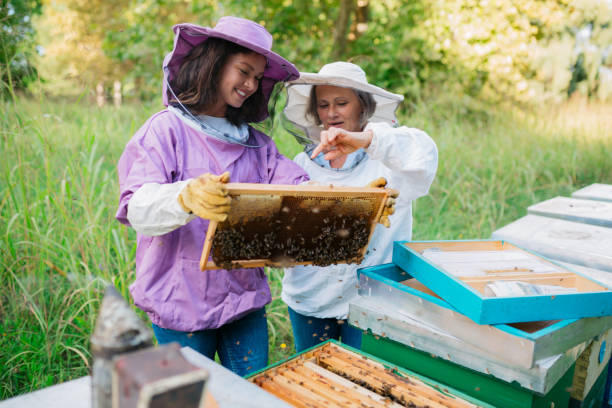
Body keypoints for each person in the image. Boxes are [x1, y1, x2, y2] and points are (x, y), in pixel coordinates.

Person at [115, 17, 309, 376]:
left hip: (245, 299)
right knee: (189, 397)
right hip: (181, 301)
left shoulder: (258, 145)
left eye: (258, 77)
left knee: (249, 391)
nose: (251, 85)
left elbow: (300, 192)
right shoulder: (165, 130)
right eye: (244, 71)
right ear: (215, 63)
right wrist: (185, 198)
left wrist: (354, 198)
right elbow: (137, 205)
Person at [281, 61, 438, 352]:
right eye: (324, 104)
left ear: (362, 107)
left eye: (342, 103)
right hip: (310, 297)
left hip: (369, 299)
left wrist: (365, 140)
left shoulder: (389, 161)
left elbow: (425, 152)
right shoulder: (301, 164)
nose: (331, 113)